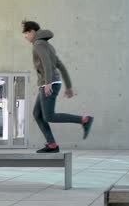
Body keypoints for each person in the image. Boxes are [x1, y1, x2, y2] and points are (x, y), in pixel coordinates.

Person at [22, 20, 94, 153]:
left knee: (49, 116)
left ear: (32, 31)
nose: (25, 36)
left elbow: (46, 64)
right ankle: (52, 145)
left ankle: (84, 120)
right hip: (52, 82)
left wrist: (48, 82)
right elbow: (59, 65)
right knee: (37, 114)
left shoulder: (38, 44)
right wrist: (69, 86)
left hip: (49, 83)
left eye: (26, 33)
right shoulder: (48, 45)